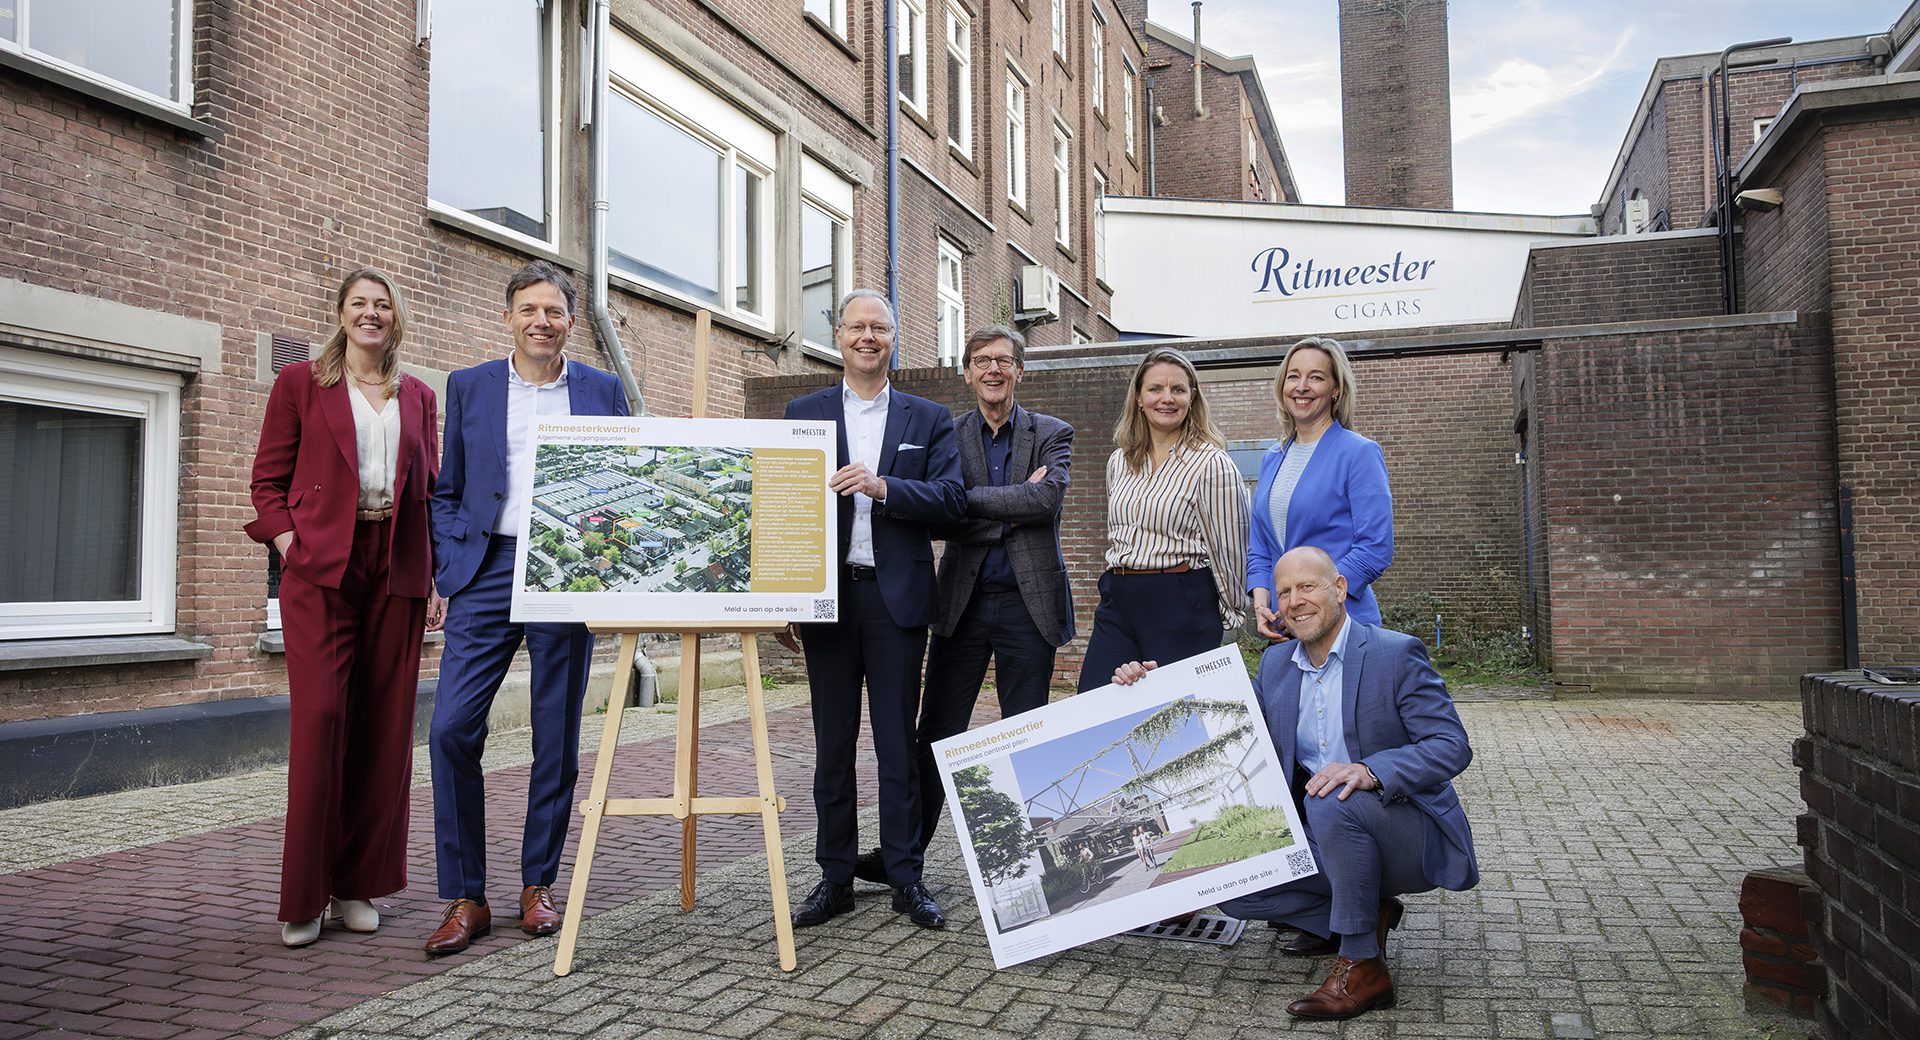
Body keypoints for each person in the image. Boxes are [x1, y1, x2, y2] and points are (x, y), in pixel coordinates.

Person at [1112, 546, 1479, 1021]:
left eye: (1307, 586)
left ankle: (1363, 964)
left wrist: (1370, 770)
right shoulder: (1277, 665)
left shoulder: (1395, 653)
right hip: (1333, 836)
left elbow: (1451, 745)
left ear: (1340, 589)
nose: (1294, 601)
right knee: (1230, 884)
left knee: (1329, 796)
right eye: (1284, 591)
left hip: (1406, 831)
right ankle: (1366, 914)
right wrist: (1155, 686)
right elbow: (1229, 721)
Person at [423, 261, 630, 955]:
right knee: (451, 729)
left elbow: (623, 477)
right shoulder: (470, 386)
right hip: (485, 570)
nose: (542, 321)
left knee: (555, 736)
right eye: (529, 310)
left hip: (564, 572)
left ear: (571, 321)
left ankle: (538, 883)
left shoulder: (602, 390)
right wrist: (447, 565)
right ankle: (466, 895)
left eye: (554, 311)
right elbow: (448, 488)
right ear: (508, 316)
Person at [245, 268, 444, 947]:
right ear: (340, 314)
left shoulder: (418, 396)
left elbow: (429, 491)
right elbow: (267, 481)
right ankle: (303, 896)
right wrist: (289, 545)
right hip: (321, 567)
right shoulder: (300, 384)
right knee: (323, 719)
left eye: (382, 305)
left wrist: (436, 577)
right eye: (359, 303)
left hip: (397, 566)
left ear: (396, 318)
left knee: (384, 728)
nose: (371, 314)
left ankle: (354, 886)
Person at [851, 325, 1074, 885]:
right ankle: (903, 856)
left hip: (1028, 604)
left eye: (1003, 360)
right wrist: (1002, 506)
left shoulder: (1052, 432)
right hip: (961, 604)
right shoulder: (945, 434)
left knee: (1028, 732)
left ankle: (1034, 870)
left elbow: (1045, 501)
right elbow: (932, 514)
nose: (993, 370)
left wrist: (964, 504)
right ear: (967, 372)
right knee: (936, 731)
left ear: (1020, 370)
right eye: (982, 361)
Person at [781, 289, 965, 930]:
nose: (867, 337)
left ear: (893, 338)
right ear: (837, 335)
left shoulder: (929, 417)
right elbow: (782, 508)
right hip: (828, 600)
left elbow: (951, 501)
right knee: (832, 744)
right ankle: (834, 877)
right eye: (856, 326)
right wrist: (784, 597)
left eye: (879, 328)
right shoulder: (802, 412)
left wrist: (884, 487)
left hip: (897, 602)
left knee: (897, 745)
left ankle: (906, 876)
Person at [1078, 347, 1249, 691]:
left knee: (1175, 711)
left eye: (1178, 389)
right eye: (1156, 388)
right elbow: (1118, 533)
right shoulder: (1119, 461)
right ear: (1139, 397)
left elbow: (1230, 551)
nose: (1166, 398)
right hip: (1118, 597)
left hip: (1180, 601)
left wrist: (1229, 614)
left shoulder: (1212, 464)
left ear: (1192, 397)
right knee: (1096, 700)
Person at [1247, 337, 1393, 639]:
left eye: (1315, 377)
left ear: (1335, 389)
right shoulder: (1272, 458)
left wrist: (1310, 600)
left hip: (1341, 624)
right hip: (1285, 626)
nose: (1301, 387)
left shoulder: (1359, 453)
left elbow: (1374, 549)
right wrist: (1262, 605)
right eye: (1293, 376)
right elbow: (1260, 548)